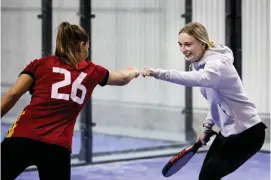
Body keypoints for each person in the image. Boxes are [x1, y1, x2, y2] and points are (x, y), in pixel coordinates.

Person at [1, 21, 139, 180]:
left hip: (22, 137)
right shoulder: (92, 71)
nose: (88, 49)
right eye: (88, 45)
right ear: (81, 45)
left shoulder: (39, 64)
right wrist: (134, 71)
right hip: (57, 147)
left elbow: (13, 94)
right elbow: (121, 78)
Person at [141, 22, 267, 180]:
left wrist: (157, 73)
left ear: (202, 43)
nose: (183, 49)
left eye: (188, 44)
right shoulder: (201, 64)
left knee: (208, 177)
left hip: (248, 133)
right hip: (230, 131)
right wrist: (207, 127)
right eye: (180, 45)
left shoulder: (217, 65)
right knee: (206, 177)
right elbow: (215, 101)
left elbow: (198, 79)